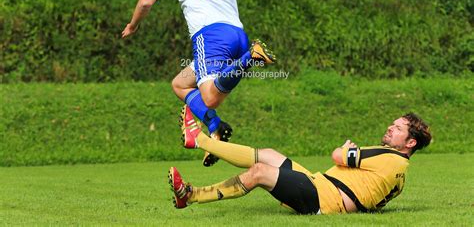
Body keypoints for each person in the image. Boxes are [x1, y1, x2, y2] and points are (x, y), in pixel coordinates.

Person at [122, 0, 326, 167]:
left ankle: (251, 56)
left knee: (209, 98)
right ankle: (216, 126)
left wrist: (133, 26)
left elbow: (145, 3)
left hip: (209, 38)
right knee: (180, 83)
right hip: (236, 34)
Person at [169, 106, 432, 214]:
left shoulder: (388, 156)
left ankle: (191, 190)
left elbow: (337, 156)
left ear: (410, 143)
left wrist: (344, 149)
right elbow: (372, 201)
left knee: (260, 171)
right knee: (270, 154)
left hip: (323, 197)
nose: (390, 128)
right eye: (393, 124)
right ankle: (207, 144)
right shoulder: (401, 174)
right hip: (321, 187)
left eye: (398, 129)